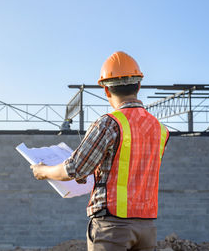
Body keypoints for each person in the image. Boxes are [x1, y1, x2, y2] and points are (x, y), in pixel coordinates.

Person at [30, 51, 169, 251]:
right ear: (138, 85)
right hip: (147, 228)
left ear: (106, 90)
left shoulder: (109, 123)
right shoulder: (160, 129)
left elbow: (74, 168)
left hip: (113, 228)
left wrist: (43, 171)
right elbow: (130, 170)